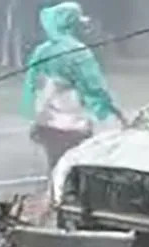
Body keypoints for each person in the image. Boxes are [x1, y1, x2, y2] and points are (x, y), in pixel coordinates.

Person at [21, 1, 126, 172]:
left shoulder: (42, 51)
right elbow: (96, 88)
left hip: (46, 123)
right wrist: (115, 112)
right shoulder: (79, 53)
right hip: (72, 124)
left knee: (55, 166)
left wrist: (34, 117)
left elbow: (32, 87)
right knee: (74, 170)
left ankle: (54, 194)